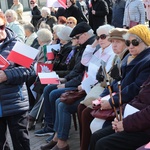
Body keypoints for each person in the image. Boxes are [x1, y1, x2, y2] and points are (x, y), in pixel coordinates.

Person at [39, 22, 95, 150]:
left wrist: (65, 83)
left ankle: (59, 138)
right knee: (48, 89)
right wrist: (64, 79)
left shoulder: (88, 47)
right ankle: (55, 133)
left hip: (85, 87)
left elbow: (81, 73)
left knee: (58, 99)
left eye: (76, 37)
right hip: (80, 83)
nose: (73, 40)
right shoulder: (84, 47)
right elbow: (76, 70)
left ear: (85, 35)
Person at [89, 75, 150, 150]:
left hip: (144, 127)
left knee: (103, 144)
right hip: (135, 119)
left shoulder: (144, 65)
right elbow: (138, 97)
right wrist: (120, 115)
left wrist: (126, 123)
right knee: (96, 136)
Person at [0, 12, 33, 150]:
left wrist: (6, 75)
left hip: (15, 103)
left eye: (1, 26)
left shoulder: (17, 42)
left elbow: (30, 70)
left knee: (21, 142)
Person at [90, 27, 129, 134]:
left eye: (118, 42)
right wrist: (102, 96)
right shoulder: (118, 57)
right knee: (85, 111)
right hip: (111, 94)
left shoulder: (125, 58)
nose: (114, 45)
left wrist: (110, 100)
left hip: (121, 101)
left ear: (126, 43)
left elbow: (124, 86)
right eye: (112, 42)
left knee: (91, 119)